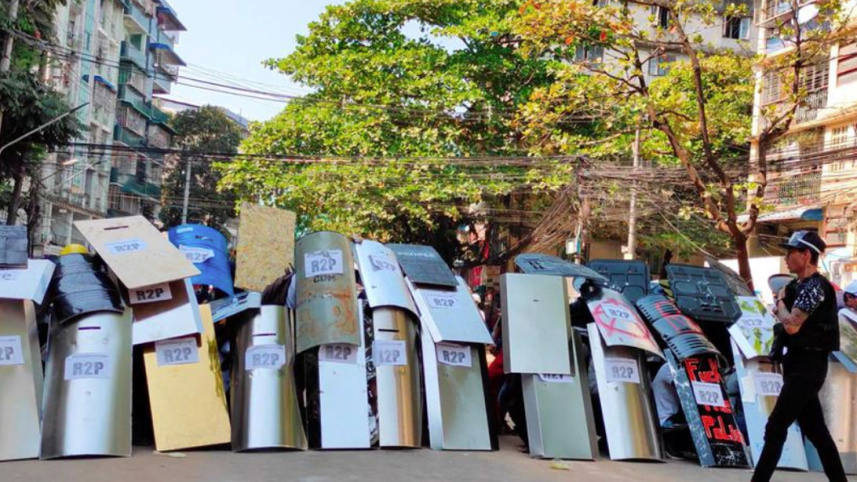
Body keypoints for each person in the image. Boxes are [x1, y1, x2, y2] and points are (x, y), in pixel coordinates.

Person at [752, 231, 846, 482]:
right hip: (796, 363)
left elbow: (792, 325)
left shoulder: (816, 287)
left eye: (790, 252)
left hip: (809, 367)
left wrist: (780, 305)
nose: (786, 258)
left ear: (806, 255)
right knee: (817, 432)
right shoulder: (796, 286)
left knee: (776, 426)